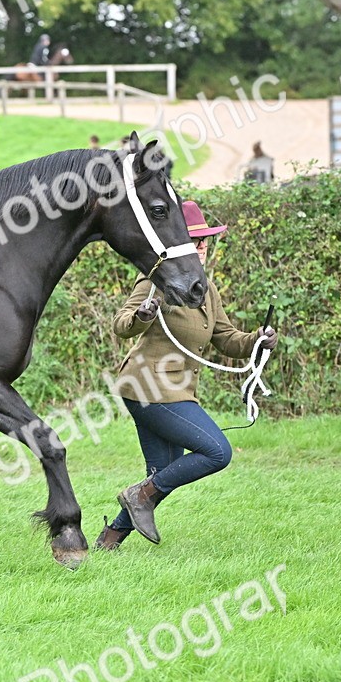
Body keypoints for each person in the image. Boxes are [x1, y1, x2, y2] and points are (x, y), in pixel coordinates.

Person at [96, 200, 279, 550]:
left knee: (162, 475)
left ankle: (110, 538)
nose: (201, 247)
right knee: (216, 452)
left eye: (205, 241)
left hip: (176, 390)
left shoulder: (205, 289)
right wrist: (145, 314)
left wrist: (260, 339)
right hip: (147, 388)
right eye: (194, 240)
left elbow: (226, 339)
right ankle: (138, 497)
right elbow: (121, 324)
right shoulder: (155, 281)